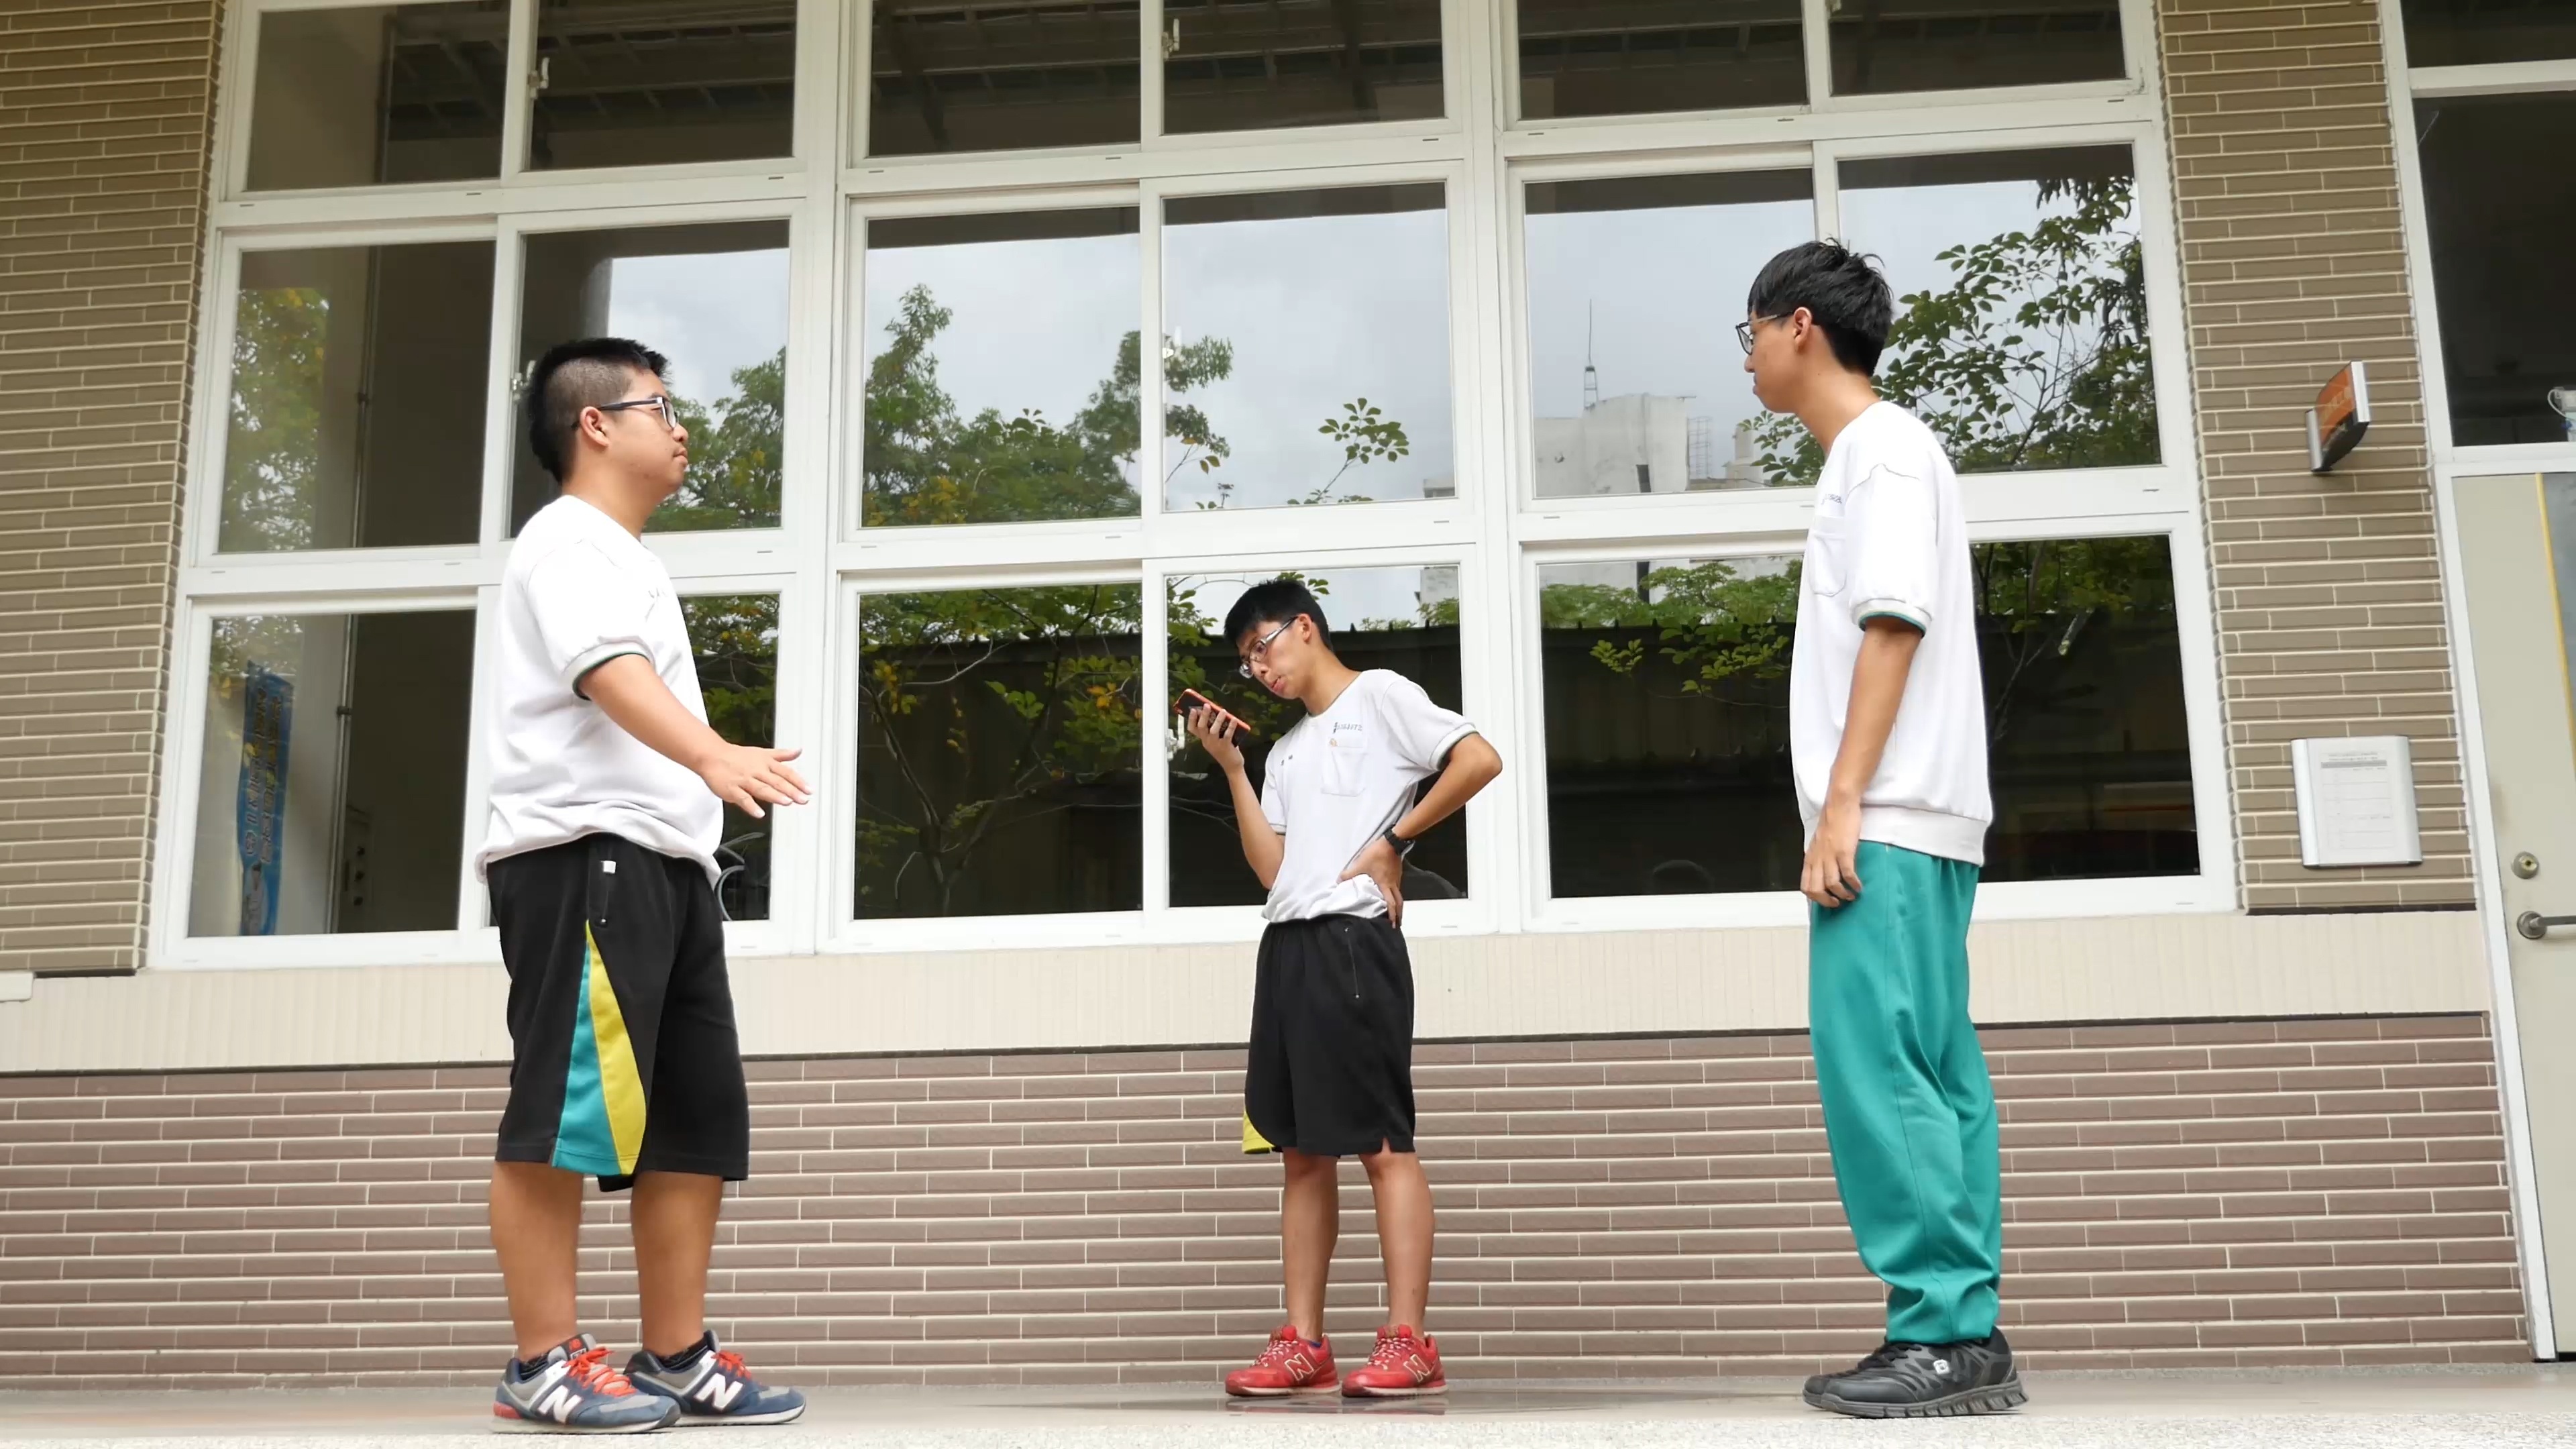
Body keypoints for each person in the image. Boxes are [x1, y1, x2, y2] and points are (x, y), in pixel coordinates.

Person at [477, 337, 811, 1433]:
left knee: (691, 1125)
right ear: (595, 424)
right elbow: (606, 670)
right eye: (660, 407)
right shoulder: (566, 540)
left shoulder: (629, 556)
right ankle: (542, 1362)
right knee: (566, 1114)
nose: (681, 428)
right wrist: (714, 755)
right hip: (586, 857)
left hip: (668, 867)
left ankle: (674, 1355)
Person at [1739, 244, 2025, 1418]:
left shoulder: (1881, 452)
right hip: (1917, 817)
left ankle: (1943, 1331)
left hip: (1889, 817)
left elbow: (1892, 626)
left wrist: (1843, 803)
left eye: (1751, 333)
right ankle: (1963, 1329)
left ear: (1800, 325)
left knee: (1884, 1072)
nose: (1749, 358)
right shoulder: (1884, 454)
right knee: (1936, 1072)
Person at [1183, 579, 1503, 1400]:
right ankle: (1305, 1344)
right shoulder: (1286, 749)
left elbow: (1479, 760)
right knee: (1299, 1152)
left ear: (1305, 627)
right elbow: (1273, 871)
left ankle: (1411, 1342)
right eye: (1246, 663)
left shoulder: (1381, 695)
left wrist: (1396, 840)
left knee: (1382, 1144)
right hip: (1287, 947)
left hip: (1355, 944)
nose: (1260, 670)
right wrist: (1235, 769)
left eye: (1263, 647)